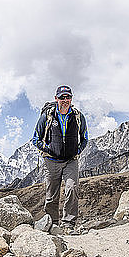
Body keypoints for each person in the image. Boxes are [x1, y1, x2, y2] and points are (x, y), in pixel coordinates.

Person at [32, 85, 88, 230]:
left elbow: (85, 138)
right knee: (51, 194)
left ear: (71, 98)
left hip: (71, 160)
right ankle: (52, 224)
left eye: (68, 97)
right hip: (51, 161)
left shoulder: (78, 117)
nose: (65, 100)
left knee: (72, 188)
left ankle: (68, 223)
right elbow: (35, 139)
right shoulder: (48, 116)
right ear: (56, 98)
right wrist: (48, 149)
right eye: (62, 97)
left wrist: (77, 150)